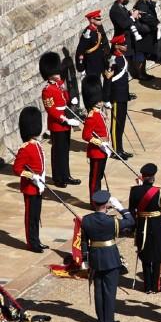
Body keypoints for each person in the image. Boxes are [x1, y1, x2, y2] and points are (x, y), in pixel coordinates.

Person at [82, 190, 134, 322]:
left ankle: (100, 319)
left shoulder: (86, 219)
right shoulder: (111, 221)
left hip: (94, 258)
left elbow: (83, 242)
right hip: (110, 258)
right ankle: (108, 320)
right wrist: (121, 208)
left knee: (98, 290)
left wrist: (85, 260)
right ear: (107, 204)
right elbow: (130, 221)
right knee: (110, 290)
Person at [129, 163, 161, 293]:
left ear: (142, 177)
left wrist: (135, 224)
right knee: (157, 257)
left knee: (145, 255)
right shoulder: (160, 191)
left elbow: (131, 210)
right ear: (153, 178)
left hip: (142, 224)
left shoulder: (135, 190)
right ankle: (155, 286)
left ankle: (147, 287)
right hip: (158, 225)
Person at [40, 52, 79, 188]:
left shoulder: (58, 85)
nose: (58, 74)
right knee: (58, 152)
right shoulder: (47, 90)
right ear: (49, 74)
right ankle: (58, 178)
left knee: (65, 150)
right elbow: (51, 110)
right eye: (55, 72)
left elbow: (64, 98)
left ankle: (66, 175)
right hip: (57, 124)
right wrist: (65, 120)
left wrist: (71, 99)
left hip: (65, 121)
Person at [13, 107, 48, 251]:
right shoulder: (25, 148)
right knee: (30, 217)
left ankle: (37, 240)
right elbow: (17, 169)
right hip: (30, 187)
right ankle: (32, 243)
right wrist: (32, 176)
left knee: (36, 216)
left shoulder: (37, 145)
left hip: (38, 186)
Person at [74, 10, 110, 101]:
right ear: (91, 20)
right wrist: (81, 68)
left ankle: (104, 99)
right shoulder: (87, 33)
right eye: (97, 19)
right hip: (92, 64)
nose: (99, 20)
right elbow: (80, 51)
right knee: (95, 86)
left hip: (100, 61)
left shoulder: (98, 28)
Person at [105, 36, 132, 159]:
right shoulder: (113, 60)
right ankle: (116, 150)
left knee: (121, 123)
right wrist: (106, 99)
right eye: (122, 44)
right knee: (116, 125)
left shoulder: (121, 57)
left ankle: (120, 148)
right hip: (115, 96)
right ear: (116, 46)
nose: (125, 46)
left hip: (123, 95)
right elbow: (108, 80)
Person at [81, 99, 111, 202]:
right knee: (95, 179)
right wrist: (99, 143)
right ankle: (94, 202)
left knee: (99, 176)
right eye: (98, 100)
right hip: (96, 152)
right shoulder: (92, 116)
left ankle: (99, 200)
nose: (100, 102)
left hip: (103, 150)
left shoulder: (99, 113)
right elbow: (86, 136)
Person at [132, 0, 160, 80]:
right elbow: (144, 17)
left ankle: (143, 72)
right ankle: (140, 74)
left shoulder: (147, 2)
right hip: (142, 33)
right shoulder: (141, 3)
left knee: (144, 54)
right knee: (140, 55)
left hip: (148, 33)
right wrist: (155, 22)